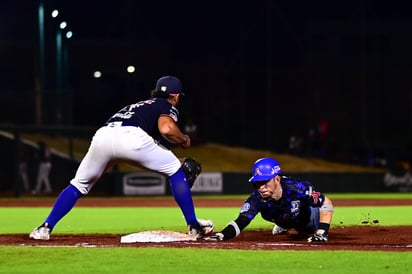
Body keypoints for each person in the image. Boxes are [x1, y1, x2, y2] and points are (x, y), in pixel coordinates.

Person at [29, 76, 213, 240]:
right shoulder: (166, 105)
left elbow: (150, 140)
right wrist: (184, 139)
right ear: (176, 95)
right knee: (176, 169)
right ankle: (193, 225)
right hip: (132, 137)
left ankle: (44, 227)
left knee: (78, 184)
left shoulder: (137, 105)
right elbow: (166, 129)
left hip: (103, 136)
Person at [203, 157, 334, 242]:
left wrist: (321, 232)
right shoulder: (256, 199)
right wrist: (221, 235)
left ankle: (287, 224)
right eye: (257, 183)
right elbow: (241, 221)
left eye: (265, 182)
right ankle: (284, 224)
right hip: (285, 217)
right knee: (279, 213)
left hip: (309, 217)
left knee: (308, 228)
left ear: (277, 179)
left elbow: (326, 202)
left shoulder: (297, 187)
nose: (261, 187)